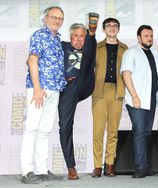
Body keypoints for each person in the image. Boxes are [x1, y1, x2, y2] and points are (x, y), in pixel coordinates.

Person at [20, 6, 66, 184]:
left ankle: (41, 170)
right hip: (39, 89)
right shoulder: (39, 35)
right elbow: (32, 60)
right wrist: (38, 88)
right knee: (32, 128)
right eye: (54, 17)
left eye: (60, 18)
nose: (57, 21)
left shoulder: (57, 39)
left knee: (45, 131)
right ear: (46, 18)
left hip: (54, 90)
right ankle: (27, 171)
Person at [58, 13, 98, 180]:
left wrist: (90, 37)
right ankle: (71, 167)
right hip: (66, 89)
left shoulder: (88, 47)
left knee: (89, 52)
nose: (79, 39)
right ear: (70, 37)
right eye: (76, 36)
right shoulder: (62, 46)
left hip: (84, 84)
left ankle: (93, 31)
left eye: (83, 36)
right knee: (65, 126)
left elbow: (89, 51)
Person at [121, 25, 158, 178]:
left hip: (151, 98)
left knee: (146, 132)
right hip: (137, 99)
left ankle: (145, 166)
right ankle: (139, 168)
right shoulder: (130, 52)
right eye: (146, 36)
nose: (149, 38)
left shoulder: (154, 53)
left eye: (151, 35)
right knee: (139, 132)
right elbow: (126, 74)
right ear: (139, 38)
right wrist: (134, 96)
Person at [91, 17, 128, 178]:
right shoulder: (96, 48)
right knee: (98, 131)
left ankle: (110, 165)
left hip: (117, 91)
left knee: (113, 131)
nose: (112, 28)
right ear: (104, 29)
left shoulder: (125, 49)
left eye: (115, 26)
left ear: (118, 29)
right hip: (99, 91)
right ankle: (97, 166)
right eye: (108, 26)